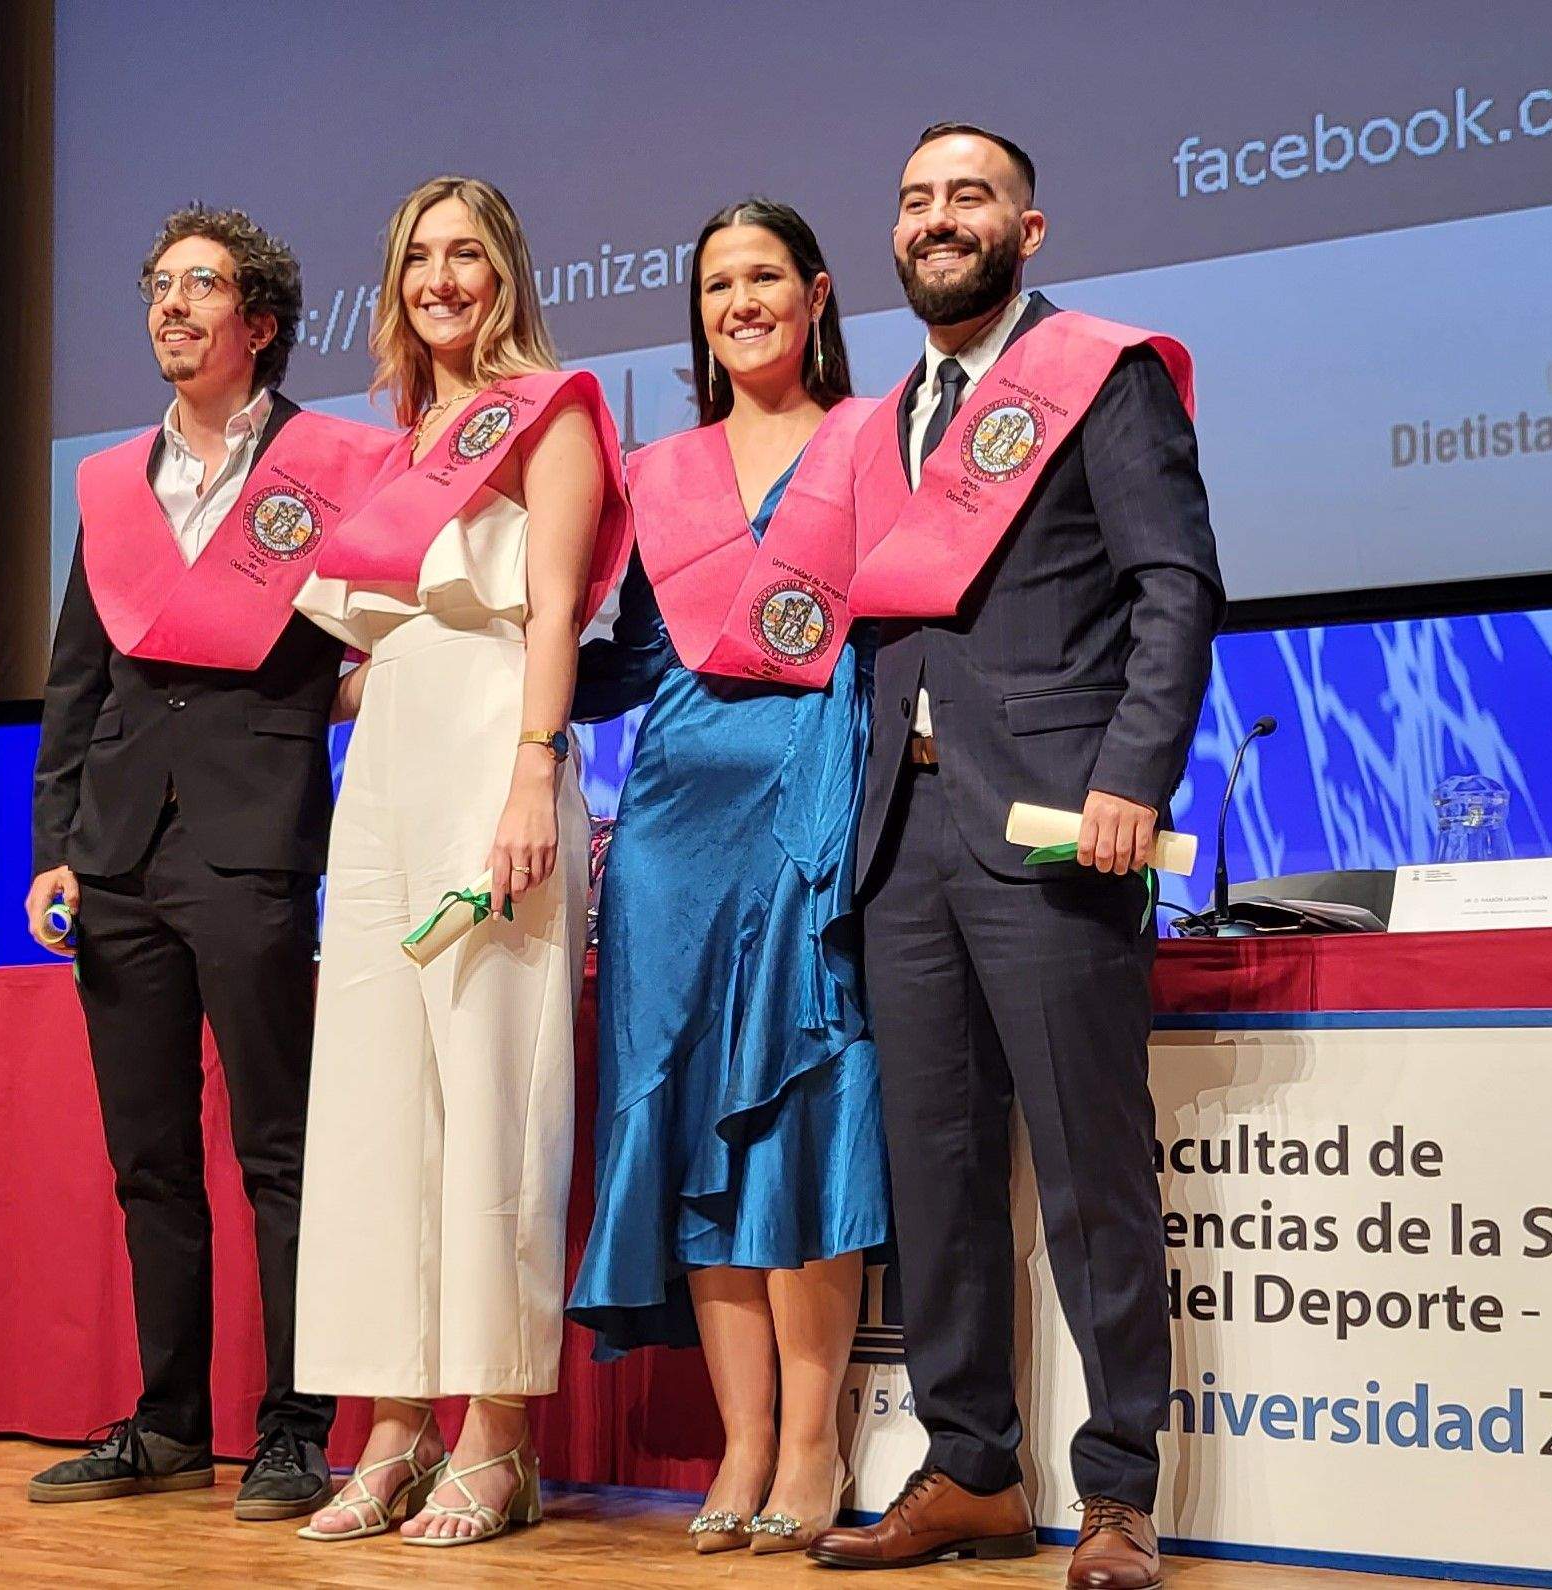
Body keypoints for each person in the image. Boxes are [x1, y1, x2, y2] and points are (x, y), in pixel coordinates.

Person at [803, 125, 1221, 1590]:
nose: (937, 221)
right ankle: (971, 1463)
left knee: (1098, 1174)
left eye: (967, 197)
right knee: (938, 1173)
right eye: (913, 200)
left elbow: (1174, 590)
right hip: (904, 840)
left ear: (1028, 229)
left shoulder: (1100, 378)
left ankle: (1117, 1495)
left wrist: (1130, 775)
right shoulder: (879, 421)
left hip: (1056, 830)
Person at [26, 204, 398, 1523]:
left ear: (263, 323)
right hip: (120, 850)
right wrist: (56, 844)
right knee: (148, 1155)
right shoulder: (116, 483)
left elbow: (399, 610)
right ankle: (171, 1419)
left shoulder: (330, 461)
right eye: (157, 288)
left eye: (201, 288)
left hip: (252, 839)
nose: (171, 308)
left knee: (280, 1149)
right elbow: (77, 678)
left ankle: (296, 1428)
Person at [287, 175, 628, 1549]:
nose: (442, 277)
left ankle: (499, 1431)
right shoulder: (395, 445)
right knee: (374, 1100)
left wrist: (534, 771)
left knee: (495, 1088)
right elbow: (378, 650)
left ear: (508, 272)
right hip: (384, 773)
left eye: (466, 253)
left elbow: (549, 612)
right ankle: (392, 1422)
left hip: (500, 749)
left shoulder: (551, 410)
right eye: (419, 256)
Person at [565, 199, 890, 1557]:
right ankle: (743, 1436)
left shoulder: (878, 442)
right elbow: (637, 659)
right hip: (672, 822)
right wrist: (474, 682)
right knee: (693, 1114)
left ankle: (814, 1440)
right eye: (715, 287)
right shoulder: (663, 468)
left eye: (763, 277)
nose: (739, 302)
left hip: (812, 788)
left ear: (816, 295)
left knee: (800, 1106)